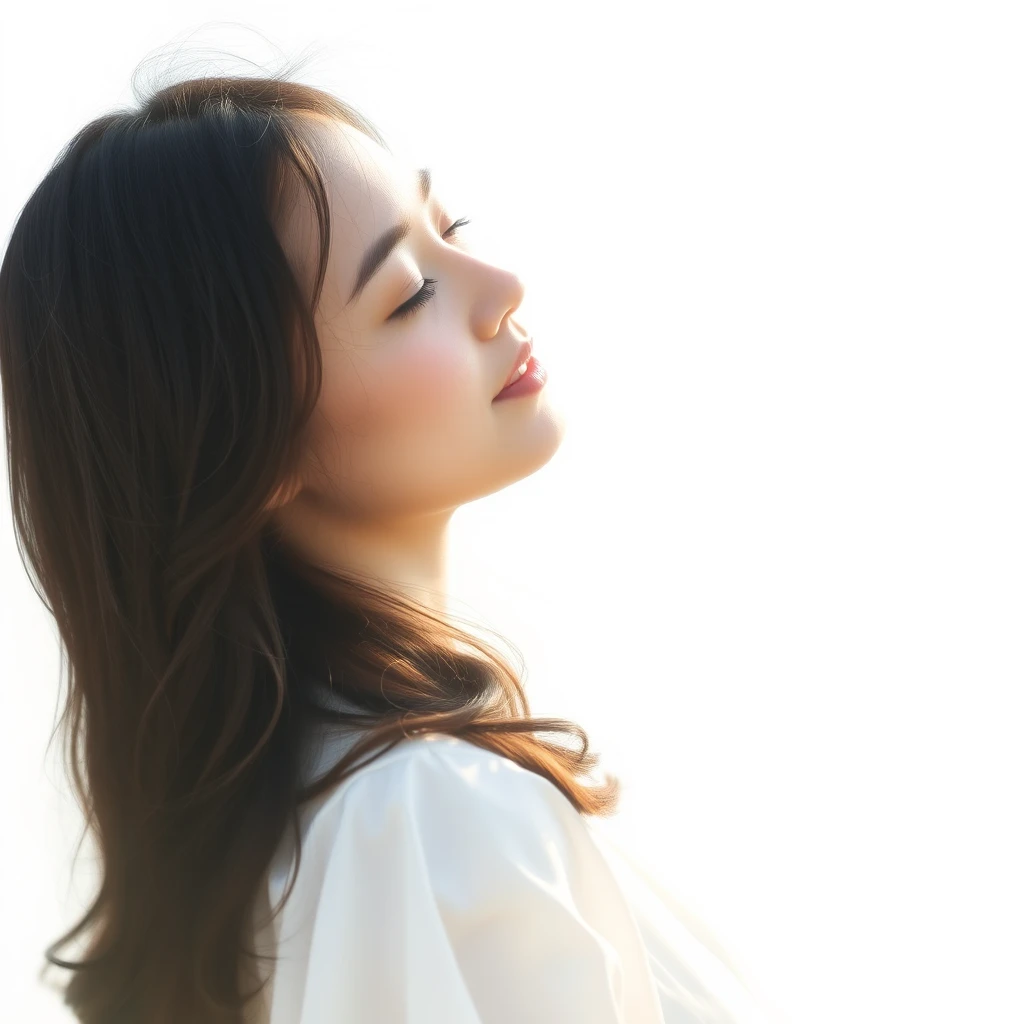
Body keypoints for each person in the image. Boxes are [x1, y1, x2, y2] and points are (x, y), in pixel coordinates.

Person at [0, 67, 771, 1023]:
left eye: (450, 231)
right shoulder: (431, 819)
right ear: (254, 444)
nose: (502, 289)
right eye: (408, 295)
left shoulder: (296, 842)